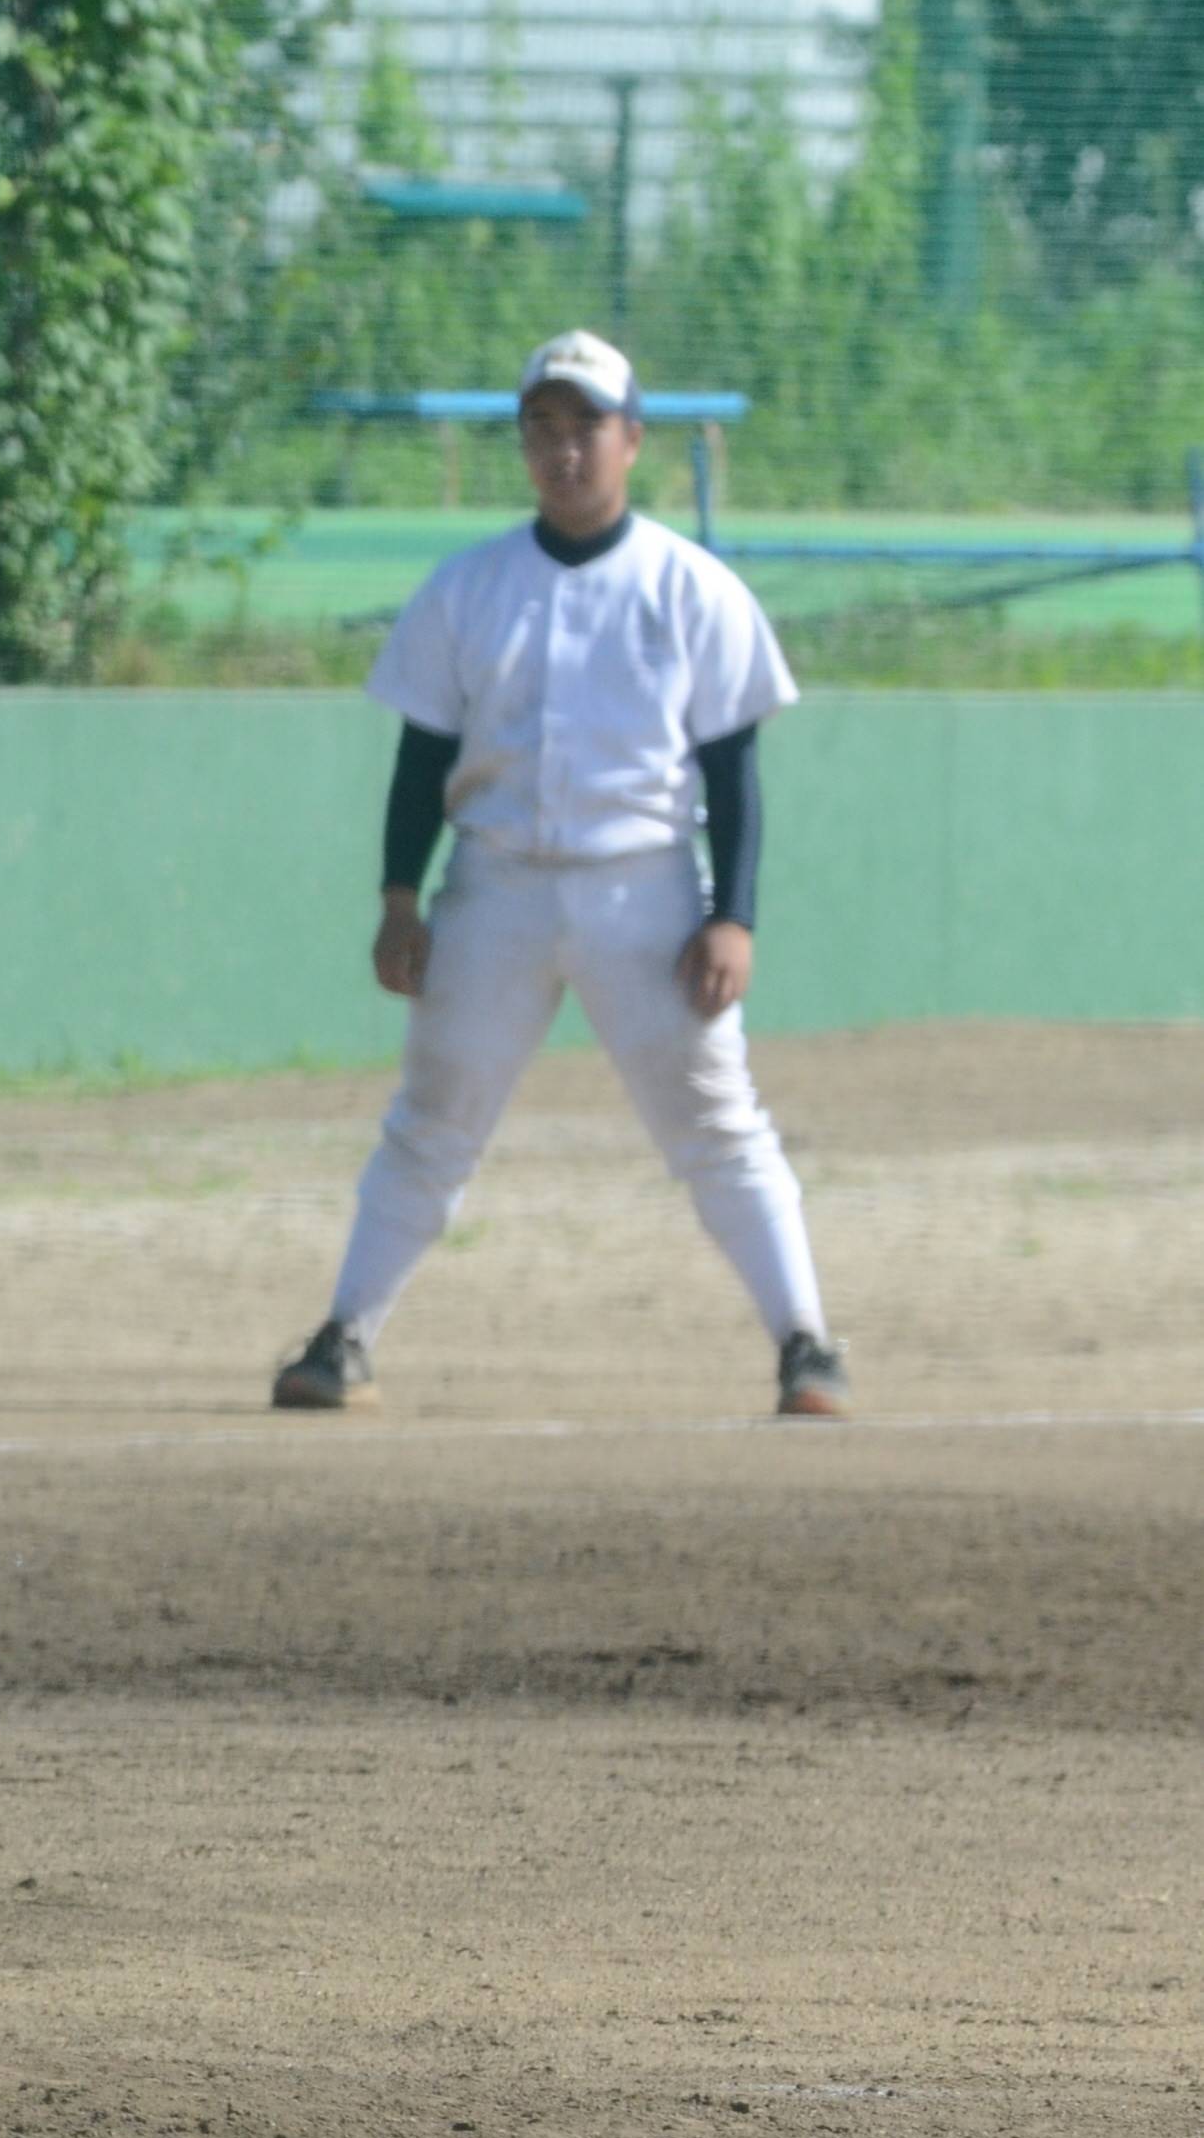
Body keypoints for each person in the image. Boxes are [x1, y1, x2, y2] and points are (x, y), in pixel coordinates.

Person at [272, 331, 844, 1420]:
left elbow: (734, 768)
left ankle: (808, 1345)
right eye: (543, 425)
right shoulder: (467, 588)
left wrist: (736, 916)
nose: (564, 446)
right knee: (432, 1120)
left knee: (720, 1125)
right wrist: (400, 895)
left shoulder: (692, 587)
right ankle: (345, 1337)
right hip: (496, 888)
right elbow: (422, 757)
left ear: (633, 439)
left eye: (587, 425)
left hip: (649, 889)